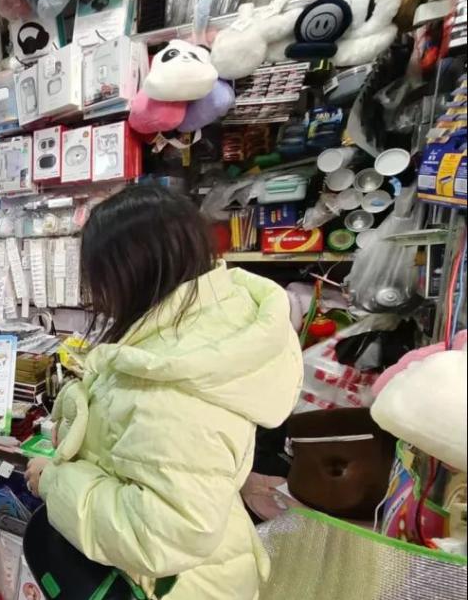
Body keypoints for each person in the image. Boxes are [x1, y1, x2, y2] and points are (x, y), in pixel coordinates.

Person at [25, 185, 302, 600]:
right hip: (200, 572)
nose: (95, 292)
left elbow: (157, 535)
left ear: (130, 271)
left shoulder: (172, 382)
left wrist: (54, 481)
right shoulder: (197, 334)